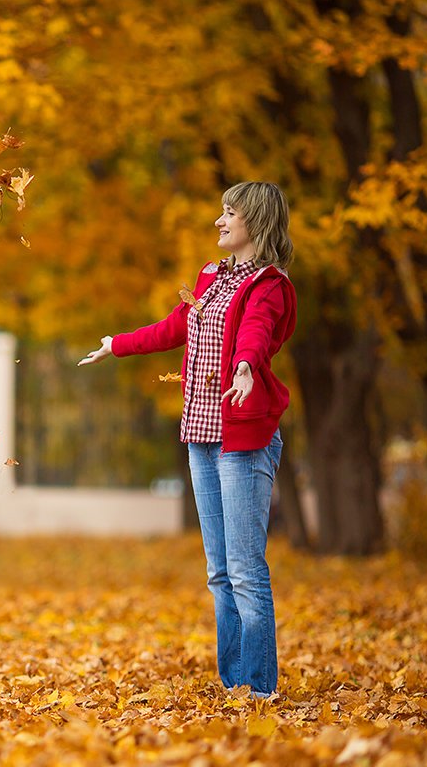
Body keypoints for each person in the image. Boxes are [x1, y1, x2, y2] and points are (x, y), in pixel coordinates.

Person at [79, 181, 296, 697]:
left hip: (243, 439)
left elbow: (257, 331)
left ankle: (260, 690)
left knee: (245, 570)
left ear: (255, 222)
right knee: (219, 572)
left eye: (229, 213)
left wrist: (245, 366)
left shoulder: (269, 285)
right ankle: (234, 686)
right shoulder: (212, 277)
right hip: (202, 433)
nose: (219, 222)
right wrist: (118, 344)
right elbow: (176, 326)